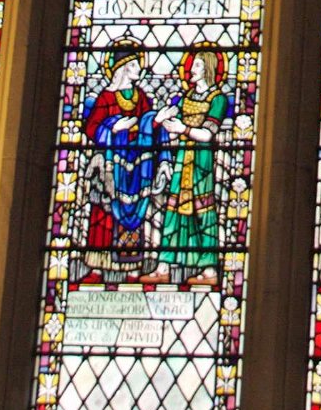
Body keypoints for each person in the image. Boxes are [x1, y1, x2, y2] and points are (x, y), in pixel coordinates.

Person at [79, 54, 164, 271]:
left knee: (138, 212)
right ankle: (101, 263)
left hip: (137, 165)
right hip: (111, 163)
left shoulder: (141, 96)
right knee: (105, 212)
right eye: (134, 64)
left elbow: (150, 124)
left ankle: (132, 266)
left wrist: (157, 120)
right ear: (123, 67)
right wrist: (113, 128)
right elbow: (91, 128)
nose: (139, 69)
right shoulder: (106, 97)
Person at [155, 45, 229, 284]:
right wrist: (164, 123)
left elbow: (207, 134)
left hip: (201, 160)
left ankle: (209, 270)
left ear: (208, 68)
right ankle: (163, 266)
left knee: (203, 210)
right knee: (173, 210)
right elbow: (174, 131)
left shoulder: (217, 99)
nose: (191, 68)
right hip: (181, 159)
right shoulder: (185, 97)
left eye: (197, 64)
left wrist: (183, 129)